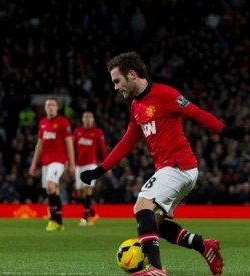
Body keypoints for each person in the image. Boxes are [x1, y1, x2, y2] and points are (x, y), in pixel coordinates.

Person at [81, 51, 245, 275]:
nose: (115, 87)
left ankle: (156, 269)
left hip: (179, 165)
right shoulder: (136, 106)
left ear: (132, 74)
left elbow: (196, 113)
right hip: (174, 169)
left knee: (142, 206)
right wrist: (99, 170)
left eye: (117, 81)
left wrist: (225, 130)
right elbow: (127, 141)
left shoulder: (165, 94)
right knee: (156, 223)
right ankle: (203, 245)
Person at [29, 97, 75, 231]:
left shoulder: (63, 122)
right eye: (48, 105)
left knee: (50, 186)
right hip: (45, 162)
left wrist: (71, 164)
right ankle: (59, 222)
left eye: (53, 105)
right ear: (44, 108)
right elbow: (39, 144)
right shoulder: (42, 123)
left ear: (57, 108)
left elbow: (69, 143)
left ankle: (52, 219)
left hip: (58, 160)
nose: (50, 107)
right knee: (54, 190)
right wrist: (34, 164)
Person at [73, 110, 107, 226]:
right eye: (86, 117)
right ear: (82, 119)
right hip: (79, 165)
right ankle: (92, 214)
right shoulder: (77, 132)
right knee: (80, 193)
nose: (87, 119)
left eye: (90, 117)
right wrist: (69, 162)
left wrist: (107, 164)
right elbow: (72, 148)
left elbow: (102, 149)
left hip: (91, 164)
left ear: (93, 119)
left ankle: (84, 218)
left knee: (88, 190)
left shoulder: (97, 132)